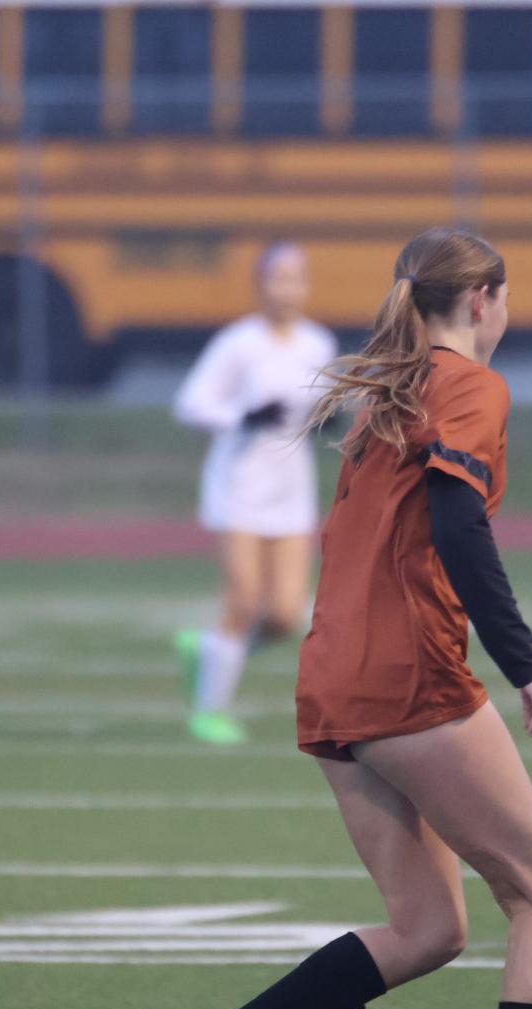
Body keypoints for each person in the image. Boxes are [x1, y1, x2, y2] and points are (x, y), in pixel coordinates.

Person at [159, 227, 532, 1009]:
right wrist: (527, 666)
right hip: (405, 678)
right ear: (484, 298)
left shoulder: (388, 393)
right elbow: (458, 525)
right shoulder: (469, 386)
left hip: (333, 676)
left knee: (429, 929)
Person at [172, 241, 337, 745]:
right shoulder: (238, 343)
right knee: (243, 600)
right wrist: (242, 417)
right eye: (277, 279)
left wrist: (332, 415)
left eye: (296, 279)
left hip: (290, 489)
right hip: (238, 485)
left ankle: (209, 652)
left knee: (286, 615)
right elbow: (191, 403)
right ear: (259, 285)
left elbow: (321, 405)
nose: (287, 289)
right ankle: (209, 712)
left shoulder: (317, 343)